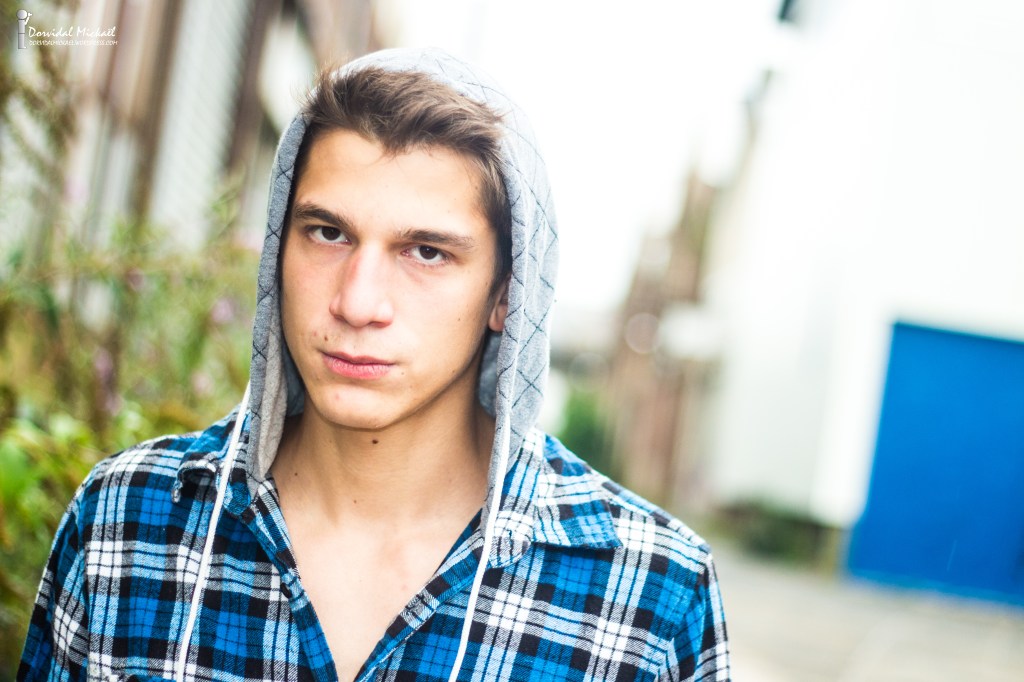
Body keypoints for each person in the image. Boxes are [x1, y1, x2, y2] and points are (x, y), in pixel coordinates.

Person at [19, 48, 730, 681]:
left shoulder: (652, 595)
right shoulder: (125, 521)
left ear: (507, 296)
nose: (357, 303)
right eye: (327, 233)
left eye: (427, 252)